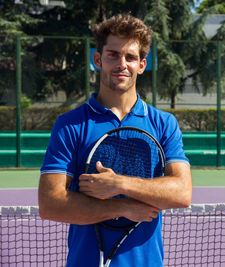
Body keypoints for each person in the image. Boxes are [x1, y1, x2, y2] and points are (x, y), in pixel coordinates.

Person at [38, 14, 192, 267]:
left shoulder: (164, 124)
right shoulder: (69, 125)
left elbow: (182, 193)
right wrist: (122, 208)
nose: (122, 64)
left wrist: (119, 184)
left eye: (130, 57)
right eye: (113, 55)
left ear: (142, 65)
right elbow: (50, 204)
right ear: (98, 59)